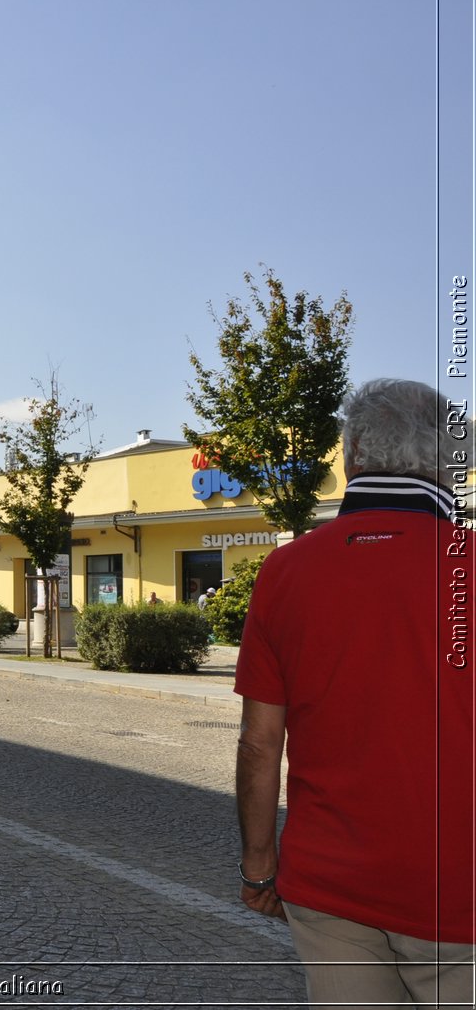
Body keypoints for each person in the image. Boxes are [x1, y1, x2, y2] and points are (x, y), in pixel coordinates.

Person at [235, 378, 474, 1004]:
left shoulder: (285, 570)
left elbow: (260, 745)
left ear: (352, 456)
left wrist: (259, 866)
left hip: (331, 885)